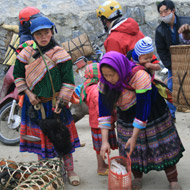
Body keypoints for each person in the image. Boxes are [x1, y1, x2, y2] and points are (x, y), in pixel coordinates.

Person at [98, 51, 184, 190]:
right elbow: (104, 113)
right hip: (126, 115)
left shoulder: (139, 75)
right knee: (131, 150)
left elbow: (143, 109)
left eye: (112, 75)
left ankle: (173, 179)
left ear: (120, 69)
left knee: (162, 145)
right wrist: (105, 141)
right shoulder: (104, 83)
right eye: (105, 75)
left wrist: (135, 136)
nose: (109, 79)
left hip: (152, 112)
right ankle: (137, 176)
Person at [13, 16, 80, 186]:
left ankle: (70, 170)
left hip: (57, 103)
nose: (43, 37)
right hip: (35, 104)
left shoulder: (60, 54)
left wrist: (62, 101)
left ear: (52, 32)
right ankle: (46, 172)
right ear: (32, 36)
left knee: (62, 137)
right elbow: (18, 76)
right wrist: (28, 94)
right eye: (39, 34)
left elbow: (68, 81)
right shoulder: (26, 54)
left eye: (47, 33)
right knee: (41, 139)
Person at [80, 63, 118, 176]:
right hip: (100, 124)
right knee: (100, 147)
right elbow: (100, 109)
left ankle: (103, 164)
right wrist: (113, 113)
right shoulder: (97, 90)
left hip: (95, 123)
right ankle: (101, 167)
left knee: (100, 146)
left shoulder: (88, 87)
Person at [155, 0, 190, 122]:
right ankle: (171, 115)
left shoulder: (187, 22)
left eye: (166, 11)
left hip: (188, 60)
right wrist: (170, 66)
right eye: (161, 13)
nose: (163, 15)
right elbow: (161, 50)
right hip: (174, 64)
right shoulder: (160, 30)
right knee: (171, 88)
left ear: (173, 10)